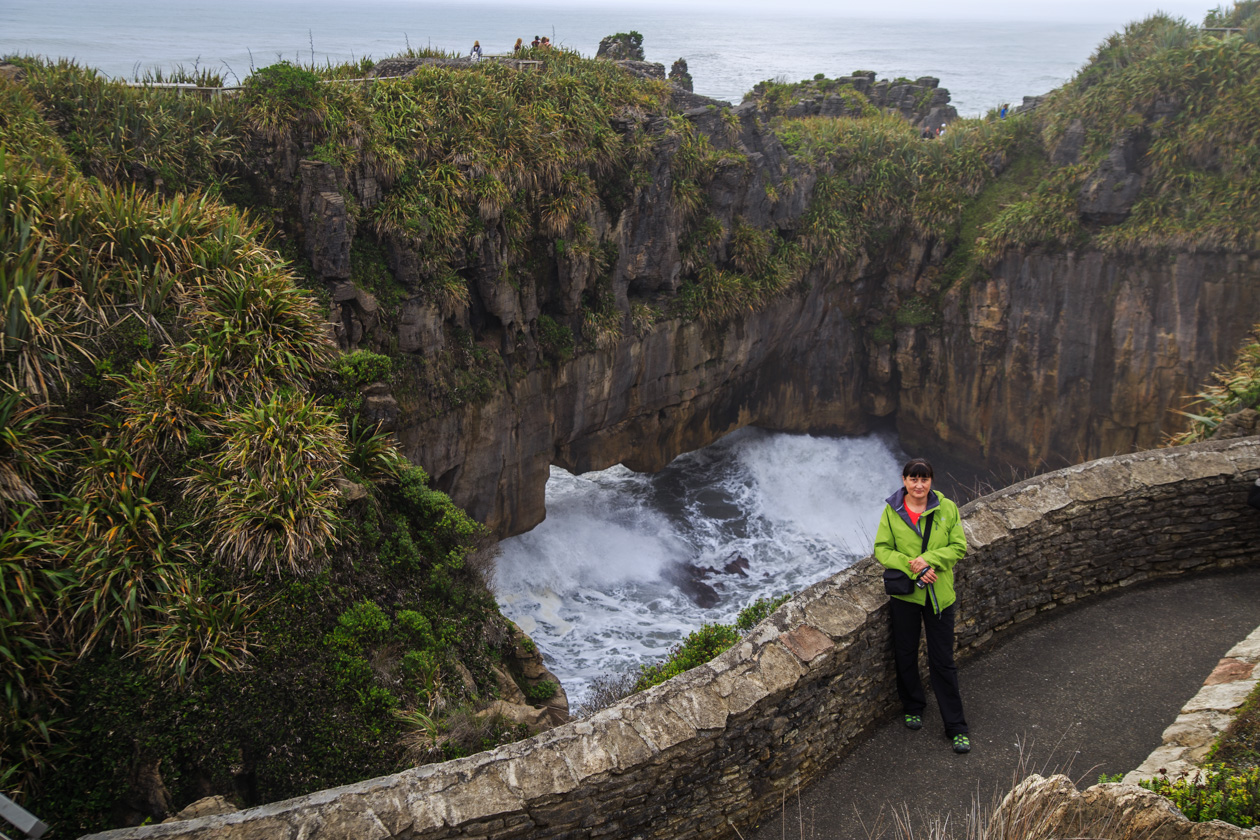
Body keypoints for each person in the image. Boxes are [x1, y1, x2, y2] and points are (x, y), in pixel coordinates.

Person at [873, 458, 971, 754]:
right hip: (907, 597)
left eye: (924, 479)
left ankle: (956, 727)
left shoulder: (947, 508)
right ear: (904, 480)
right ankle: (913, 705)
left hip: (940, 596)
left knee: (943, 661)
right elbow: (882, 549)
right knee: (905, 653)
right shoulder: (892, 511)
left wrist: (930, 560)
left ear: (931, 481)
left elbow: (959, 547)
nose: (919, 485)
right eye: (913, 479)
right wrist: (914, 567)